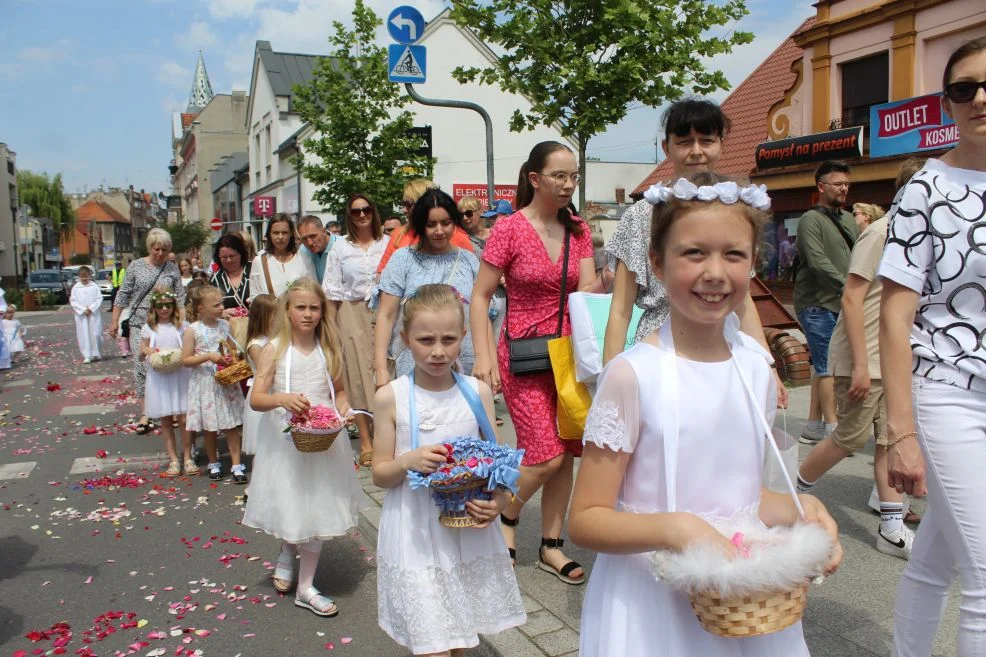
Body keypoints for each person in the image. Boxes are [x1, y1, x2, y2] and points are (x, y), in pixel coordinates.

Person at [568, 172, 842, 656]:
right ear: (656, 262)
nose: (715, 272)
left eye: (733, 254)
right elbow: (587, 519)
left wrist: (803, 510)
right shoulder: (632, 376)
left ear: (753, 262)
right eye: (693, 253)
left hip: (741, 600)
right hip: (650, 602)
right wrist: (678, 527)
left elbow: (734, 495)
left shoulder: (755, 367)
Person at [880, 37, 986, 657]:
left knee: (937, 559)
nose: (978, 98)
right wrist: (901, 432)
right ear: (947, 104)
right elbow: (895, 314)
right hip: (949, 391)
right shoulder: (927, 188)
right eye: (963, 88)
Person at [470, 141, 600, 584]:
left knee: (565, 455)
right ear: (534, 179)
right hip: (523, 353)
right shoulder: (508, 228)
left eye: (573, 176)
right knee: (543, 454)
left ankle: (551, 545)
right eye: (559, 176)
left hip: (568, 355)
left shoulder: (579, 229)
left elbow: (585, 294)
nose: (567, 185)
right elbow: (481, 295)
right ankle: (503, 515)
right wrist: (485, 356)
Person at [373, 284, 526, 654]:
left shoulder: (477, 392)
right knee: (433, 645)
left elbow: (496, 464)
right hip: (416, 535)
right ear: (406, 339)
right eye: (426, 340)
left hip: (466, 533)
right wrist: (407, 461)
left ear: (463, 338)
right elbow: (379, 473)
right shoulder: (390, 397)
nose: (438, 351)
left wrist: (500, 500)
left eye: (449, 339)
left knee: (460, 641)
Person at [602, 99, 785, 404]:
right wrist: (611, 380)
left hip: (725, 350)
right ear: (667, 147)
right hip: (661, 351)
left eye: (707, 140)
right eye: (685, 142)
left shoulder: (735, 208)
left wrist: (767, 365)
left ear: (721, 145)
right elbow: (621, 308)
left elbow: (744, 302)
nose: (696, 151)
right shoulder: (642, 213)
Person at [796, 158, 927, 562]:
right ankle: (791, 493)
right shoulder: (881, 233)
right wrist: (858, 363)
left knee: (892, 437)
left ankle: (891, 526)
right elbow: (851, 299)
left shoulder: (918, 234)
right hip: (862, 356)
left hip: (892, 356)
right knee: (850, 437)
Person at [242, 278, 367, 616]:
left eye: (314, 307)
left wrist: (344, 409)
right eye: (301, 307)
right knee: (293, 500)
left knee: (317, 506)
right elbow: (257, 398)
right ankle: (286, 551)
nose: (308, 314)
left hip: (324, 438)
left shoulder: (329, 347)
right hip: (287, 439)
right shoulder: (275, 348)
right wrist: (281, 398)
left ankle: (306, 586)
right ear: (287, 310)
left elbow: (338, 391)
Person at [375, 189, 483, 385]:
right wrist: (381, 368)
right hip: (413, 369)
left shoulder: (468, 260)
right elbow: (386, 315)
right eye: (431, 224)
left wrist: (486, 359)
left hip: (464, 366)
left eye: (446, 223)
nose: (439, 230)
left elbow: (480, 316)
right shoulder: (402, 259)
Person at [795, 161, 860, 443]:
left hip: (842, 303)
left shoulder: (848, 220)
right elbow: (816, 261)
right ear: (821, 187)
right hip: (816, 303)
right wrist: (849, 286)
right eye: (838, 184)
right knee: (826, 368)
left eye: (847, 183)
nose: (844, 188)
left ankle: (813, 425)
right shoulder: (810, 220)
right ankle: (834, 430)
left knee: (822, 367)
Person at [323, 194, 387, 467]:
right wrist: (328, 329)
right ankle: (365, 439)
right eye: (356, 211)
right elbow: (331, 289)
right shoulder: (340, 247)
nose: (362, 215)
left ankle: (386, 435)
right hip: (351, 308)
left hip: (384, 307)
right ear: (349, 215)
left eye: (366, 209)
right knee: (357, 373)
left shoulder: (387, 243)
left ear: (374, 212)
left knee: (384, 370)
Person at [110, 228, 186, 434]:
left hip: (166, 324)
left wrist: (183, 322)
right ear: (149, 248)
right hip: (140, 323)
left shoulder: (171, 268)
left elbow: (180, 296)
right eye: (156, 249)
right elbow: (123, 294)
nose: (160, 253)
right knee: (143, 364)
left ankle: (169, 409)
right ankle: (146, 411)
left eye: (164, 249)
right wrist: (115, 320)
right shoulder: (136, 266)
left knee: (168, 362)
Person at [180, 285, 245, 483]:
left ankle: (236, 464)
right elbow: (186, 359)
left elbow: (231, 350)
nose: (221, 307)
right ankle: (213, 462)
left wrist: (231, 360)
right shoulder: (193, 330)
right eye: (215, 304)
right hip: (205, 382)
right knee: (210, 427)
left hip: (224, 381)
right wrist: (208, 356)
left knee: (231, 425)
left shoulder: (225, 326)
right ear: (201, 308)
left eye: (221, 303)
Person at [139, 288, 192, 478]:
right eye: (160, 306)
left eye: (167, 305)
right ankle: (174, 460)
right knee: (166, 420)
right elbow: (141, 350)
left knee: (184, 419)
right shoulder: (149, 328)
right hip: (160, 376)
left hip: (180, 374)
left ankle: (188, 456)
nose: (164, 309)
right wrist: (147, 351)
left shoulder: (182, 326)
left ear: (173, 306)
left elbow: (189, 347)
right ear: (154, 307)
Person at [376, 179, 475, 274]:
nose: (404, 210)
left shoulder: (458, 238)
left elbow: (472, 279)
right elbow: (382, 275)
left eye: (408, 205)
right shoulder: (398, 235)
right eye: (403, 204)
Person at [240, 294, 278, 458]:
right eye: (275, 315)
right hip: (264, 392)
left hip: (275, 390)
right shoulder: (256, 344)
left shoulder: (273, 338)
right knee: (265, 441)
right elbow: (267, 368)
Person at [249, 214, 316, 299]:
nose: (280, 237)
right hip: (271, 311)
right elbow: (254, 296)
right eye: (276, 233)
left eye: (284, 233)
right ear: (269, 234)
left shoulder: (304, 259)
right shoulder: (259, 261)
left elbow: (313, 291)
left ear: (291, 233)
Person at [211, 233, 251, 318]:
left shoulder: (254, 269)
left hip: (256, 326)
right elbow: (209, 307)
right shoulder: (216, 279)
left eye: (232, 256)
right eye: (224, 257)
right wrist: (222, 313)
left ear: (241, 254)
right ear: (218, 257)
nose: (229, 260)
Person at [70, 266, 103, 364]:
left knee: (96, 333)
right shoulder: (76, 287)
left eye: (86, 276)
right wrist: (83, 309)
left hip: (93, 314)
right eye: (82, 277)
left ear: (90, 276)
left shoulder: (94, 286)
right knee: (84, 334)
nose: (84, 279)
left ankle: (96, 352)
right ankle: (87, 355)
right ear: (79, 277)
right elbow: (73, 300)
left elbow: (99, 298)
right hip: (82, 316)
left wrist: (91, 308)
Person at [299, 215, 338, 283]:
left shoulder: (342, 245)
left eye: (313, 236)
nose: (309, 243)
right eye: (304, 238)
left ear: (324, 231)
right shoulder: (303, 250)